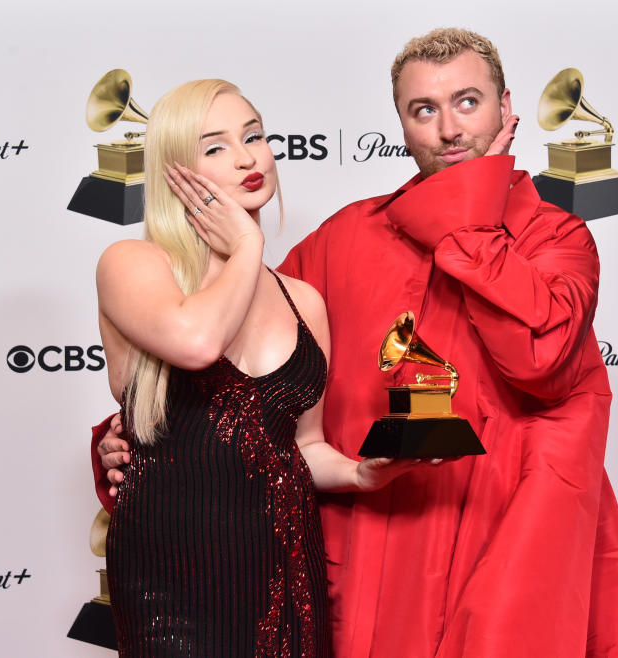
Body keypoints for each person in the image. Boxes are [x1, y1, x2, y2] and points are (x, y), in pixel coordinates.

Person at [95, 30, 618, 657]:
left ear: (508, 110)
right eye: (425, 110)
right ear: (402, 126)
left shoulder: (557, 239)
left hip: (498, 538)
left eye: (468, 102)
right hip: (369, 548)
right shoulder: (346, 237)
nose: (449, 129)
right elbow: (239, 366)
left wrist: (467, 213)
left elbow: (540, 360)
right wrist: (130, 436)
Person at [95, 78, 425, 658]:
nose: (249, 157)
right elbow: (197, 343)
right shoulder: (133, 264)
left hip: (284, 565)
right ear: (174, 170)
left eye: (255, 135)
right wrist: (246, 245)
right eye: (215, 146)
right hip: (170, 571)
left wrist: (359, 474)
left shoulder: (305, 302)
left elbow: (303, 445)